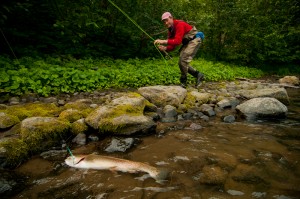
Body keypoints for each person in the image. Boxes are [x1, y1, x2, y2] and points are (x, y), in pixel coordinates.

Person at [154, 12, 205, 88]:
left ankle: (183, 82)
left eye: (167, 20)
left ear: (171, 18)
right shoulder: (170, 30)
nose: (166, 23)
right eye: (164, 21)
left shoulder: (179, 24)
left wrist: (163, 41)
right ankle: (198, 75)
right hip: (187, 42)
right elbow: (172, 46)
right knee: (181, 62)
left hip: (195, 39)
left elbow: (177, 41)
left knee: (183, 59)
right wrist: (165, 48)